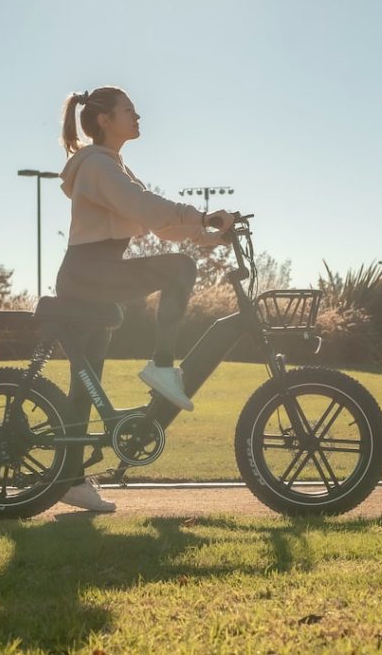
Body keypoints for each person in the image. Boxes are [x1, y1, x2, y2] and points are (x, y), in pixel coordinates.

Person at [53, 86, 234, 512]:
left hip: (88, 277)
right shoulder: (98, 166)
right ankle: (163, 367)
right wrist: (202, 215)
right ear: (104, 120)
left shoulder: (111, 166)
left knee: (86, 382)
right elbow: (145, 206)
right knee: (179, 270)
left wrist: (207, 235)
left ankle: (71, 480)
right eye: (129, 110)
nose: (138, 117)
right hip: (90, 273)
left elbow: (156, 222)